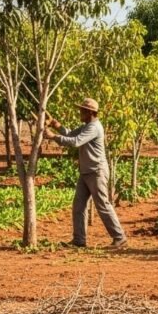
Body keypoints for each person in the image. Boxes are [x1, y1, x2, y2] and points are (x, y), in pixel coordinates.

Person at [43, 98, 128, 249]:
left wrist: (53, 137)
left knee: (102, 204)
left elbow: (75, 142)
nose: (79, 113)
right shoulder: (86, 126)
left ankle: (119, 238)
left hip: (96, 171)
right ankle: (79, 240)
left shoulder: (94, 127)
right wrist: (56, 125)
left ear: (89, 112)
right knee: (79, 205)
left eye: (82, 110)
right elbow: (70, 134)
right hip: (86, 171)